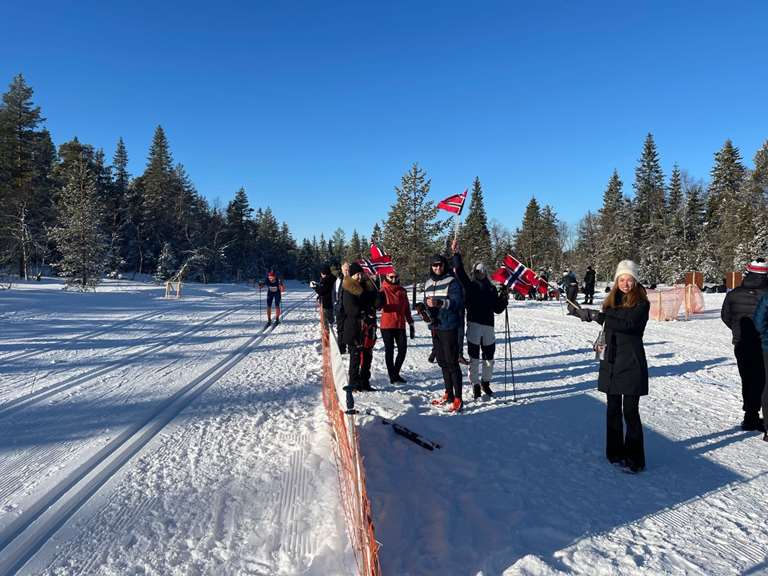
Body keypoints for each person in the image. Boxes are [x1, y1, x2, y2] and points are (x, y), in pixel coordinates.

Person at [569, 260, 650, 473]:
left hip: (631, 362)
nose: (625, 284)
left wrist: (599, 316)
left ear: (635, 281)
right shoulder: (610, 302)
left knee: (630, 411)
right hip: (611, 361)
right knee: (613, 409)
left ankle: (635, 460)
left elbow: (629, 326)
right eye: (621, 280)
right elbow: (606, 326)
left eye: (629, 280)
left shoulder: (642, 303)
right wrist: (582, 313)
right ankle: (614, 453)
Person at [451, 240, 509, 399]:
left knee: (489, 358)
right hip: (474, 325)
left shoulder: (491, 288)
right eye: (478, 271)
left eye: (483, 270)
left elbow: (497, 309)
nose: (480, 273)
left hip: (488, 327)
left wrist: (504, 298)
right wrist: (456, 254)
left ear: (486, 272)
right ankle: (475, 384)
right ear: (474, 272)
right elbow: (459, 271)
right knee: (474, 358)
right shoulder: (470, 286)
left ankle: (486, 382)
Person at [722, 259, 768, 432]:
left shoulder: (734, 294)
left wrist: (737, 330)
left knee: (747, 378)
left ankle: (750, 416)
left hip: (742, 342)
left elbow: (726, 316)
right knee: (763, 381)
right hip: (763, 343)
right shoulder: (766, 293)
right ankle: (762, 417)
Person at [424, 254, 465, 412]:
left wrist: (440, 303)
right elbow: (427, 302)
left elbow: (457, 302)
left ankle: (458, 397)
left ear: (444, 265)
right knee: (442, 361)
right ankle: (449, 393)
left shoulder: (451, 281)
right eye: (434, 265)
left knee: (452, 362)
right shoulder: (428, 283)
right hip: (435, 327)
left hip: (449, 326)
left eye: (440, 265)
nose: (437, 268)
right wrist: (423, 309)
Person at [342, 262, 378, 391]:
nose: (359, 277)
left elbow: (376, 303)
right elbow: (351, 309)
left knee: (367, 356)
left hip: (367, 328)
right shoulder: (348, 288)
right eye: (356, 275)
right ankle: (354, 382)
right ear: (351, 275)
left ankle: (365, 382)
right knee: (355, 357)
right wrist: (365, 311)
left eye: (360, 274)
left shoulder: (366, 287)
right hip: (354, 328)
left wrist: (374, 287)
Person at [378, 270, 415, 384]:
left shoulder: (402, 291)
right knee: (389, 350)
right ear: (387, 276)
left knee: (403, 350)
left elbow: (406, 308)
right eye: (391, 277)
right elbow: (378, 306)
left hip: (400, 325)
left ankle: (395, 372)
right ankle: (392, 376)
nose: (394, 279)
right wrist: (378, 301)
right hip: (387, 325)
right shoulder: (383, 290)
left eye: (396, 277)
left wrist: (411, 322)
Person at [311, 264, 337, 330]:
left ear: (323, 273)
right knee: (330, 319)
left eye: (321, 273)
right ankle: (330, 330)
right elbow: (325, 289)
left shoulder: (326, 280)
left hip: (326, 303)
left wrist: (315, 287)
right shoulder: (333, 278)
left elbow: (322, 291)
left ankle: (327, 333)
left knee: (326, 321)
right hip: (332, 302)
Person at [334, 262, 350, 353]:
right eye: (345, 270)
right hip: (340, 309)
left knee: (349, 330)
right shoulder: (338, 279)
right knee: (340, 330)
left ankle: (350, 348)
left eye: (348, 270)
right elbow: (334, 293)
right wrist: (336, 304)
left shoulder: (352, 279)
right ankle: (341, 348)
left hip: (349, 309)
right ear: (342, 269)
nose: (347, 272)